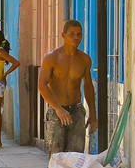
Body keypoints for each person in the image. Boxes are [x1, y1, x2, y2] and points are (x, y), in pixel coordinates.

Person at [37, 19, 97, 154]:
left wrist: (93, 114)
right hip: (56, 110)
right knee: (56, 155)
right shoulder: (52, 58)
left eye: (79, 34)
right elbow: (42, 84)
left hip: (76, 110)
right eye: (72, 34)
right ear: (63, 35)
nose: (76, 37)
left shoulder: (84, 59)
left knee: (76, 156)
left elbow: (88, 87)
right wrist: (57, 108)